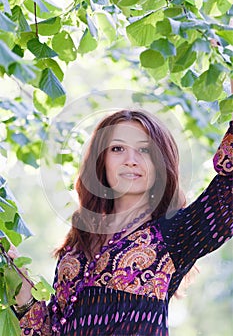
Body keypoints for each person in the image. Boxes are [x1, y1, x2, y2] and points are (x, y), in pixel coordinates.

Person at [11, 109, 232, 336]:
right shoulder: (77, 245)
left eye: (144, 150)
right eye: (117, 149)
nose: (130, 161)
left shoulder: (176, 234)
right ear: (102, 160)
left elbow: (228, 190)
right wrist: (22, 290)